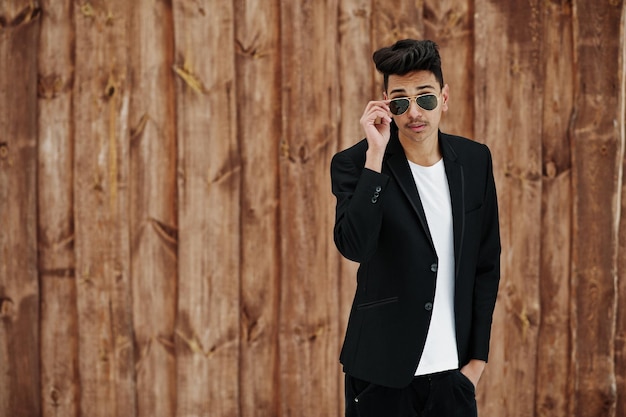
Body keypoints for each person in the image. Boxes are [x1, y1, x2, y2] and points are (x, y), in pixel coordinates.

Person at [330, 39, 501, 417]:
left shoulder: (474, 161)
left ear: (444, 97)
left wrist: (477, 363)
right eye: (400, 102)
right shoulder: (355, 163)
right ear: (386, 105)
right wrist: (375, 157)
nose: (414, 113)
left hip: (453, 377)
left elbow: (486, 263)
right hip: (380, 375)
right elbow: (355, 246)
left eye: (424, 97)